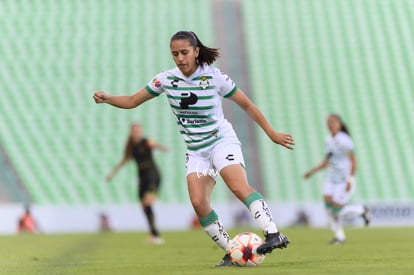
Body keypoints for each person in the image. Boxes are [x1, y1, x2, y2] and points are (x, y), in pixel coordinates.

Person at [93, 31, 295, 266]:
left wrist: (271, 132)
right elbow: (131, 101)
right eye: (174, 54)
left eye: (184, 52)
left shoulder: (214, 77)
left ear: (196, 51)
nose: (179, 58)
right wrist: (107, 98)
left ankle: (273, 233)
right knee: (199, 203)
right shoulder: (165, 80)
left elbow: (246, 104)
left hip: (221, 141)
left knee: (238, 186)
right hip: (196, 151)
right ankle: (232, 251)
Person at [304, 114, 371, 244]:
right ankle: (339, 236)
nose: (330, 124)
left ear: (339, 124)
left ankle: (362, 210)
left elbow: (353, 159)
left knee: (337, 210)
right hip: (331, 179)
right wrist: (312, 172)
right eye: (328, 122)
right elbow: (327, 161)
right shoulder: (328, 140)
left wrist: (350, 179)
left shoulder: (344, 140)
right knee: (328, 208)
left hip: (343, 179)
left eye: (333, 122)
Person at [106, 122, 168, 244]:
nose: (137, 132)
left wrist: (161, 146)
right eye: (135, 130)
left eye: (138, 130)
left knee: (148, 201)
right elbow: (124, 160)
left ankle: (156, 235)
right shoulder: (131, 146)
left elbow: (156, 145)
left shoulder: (146, 142)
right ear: (131, 132)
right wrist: (112, 174)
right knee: (145, 207)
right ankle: (154, 234)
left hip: (152, 175)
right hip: (141, 178)